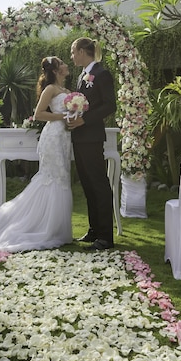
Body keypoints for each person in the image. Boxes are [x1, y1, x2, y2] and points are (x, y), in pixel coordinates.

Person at [0, 56, 73, 252]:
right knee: (52, 178)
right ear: (57, 70)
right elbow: (39, 114)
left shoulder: (66, 91)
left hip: (64, 137)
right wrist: (62, 116)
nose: (67, 65)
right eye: (63, 64)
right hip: (53, 136)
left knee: (62, 178)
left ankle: (58, 229)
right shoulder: (50, 89)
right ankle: (40, 226)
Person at [68, 36, 117, 250]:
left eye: (73, 52)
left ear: (81, 51)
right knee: (88, 185)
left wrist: (84, 120)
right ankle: (94, 230)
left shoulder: (101, 74)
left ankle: (106, 236)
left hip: (92, 137)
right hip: (79, 137)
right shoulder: (83, 75)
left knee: (99, 185)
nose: (71, 56)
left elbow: (109, 106)